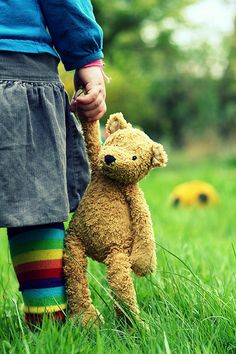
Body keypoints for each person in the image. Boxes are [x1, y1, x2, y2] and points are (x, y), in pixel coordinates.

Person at [0, 0, 106, 326]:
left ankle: (48, 325)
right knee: (37, 201)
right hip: (19, 60)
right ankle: (47, 323)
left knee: (38, 201)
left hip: (16, 61)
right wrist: (86, 57)